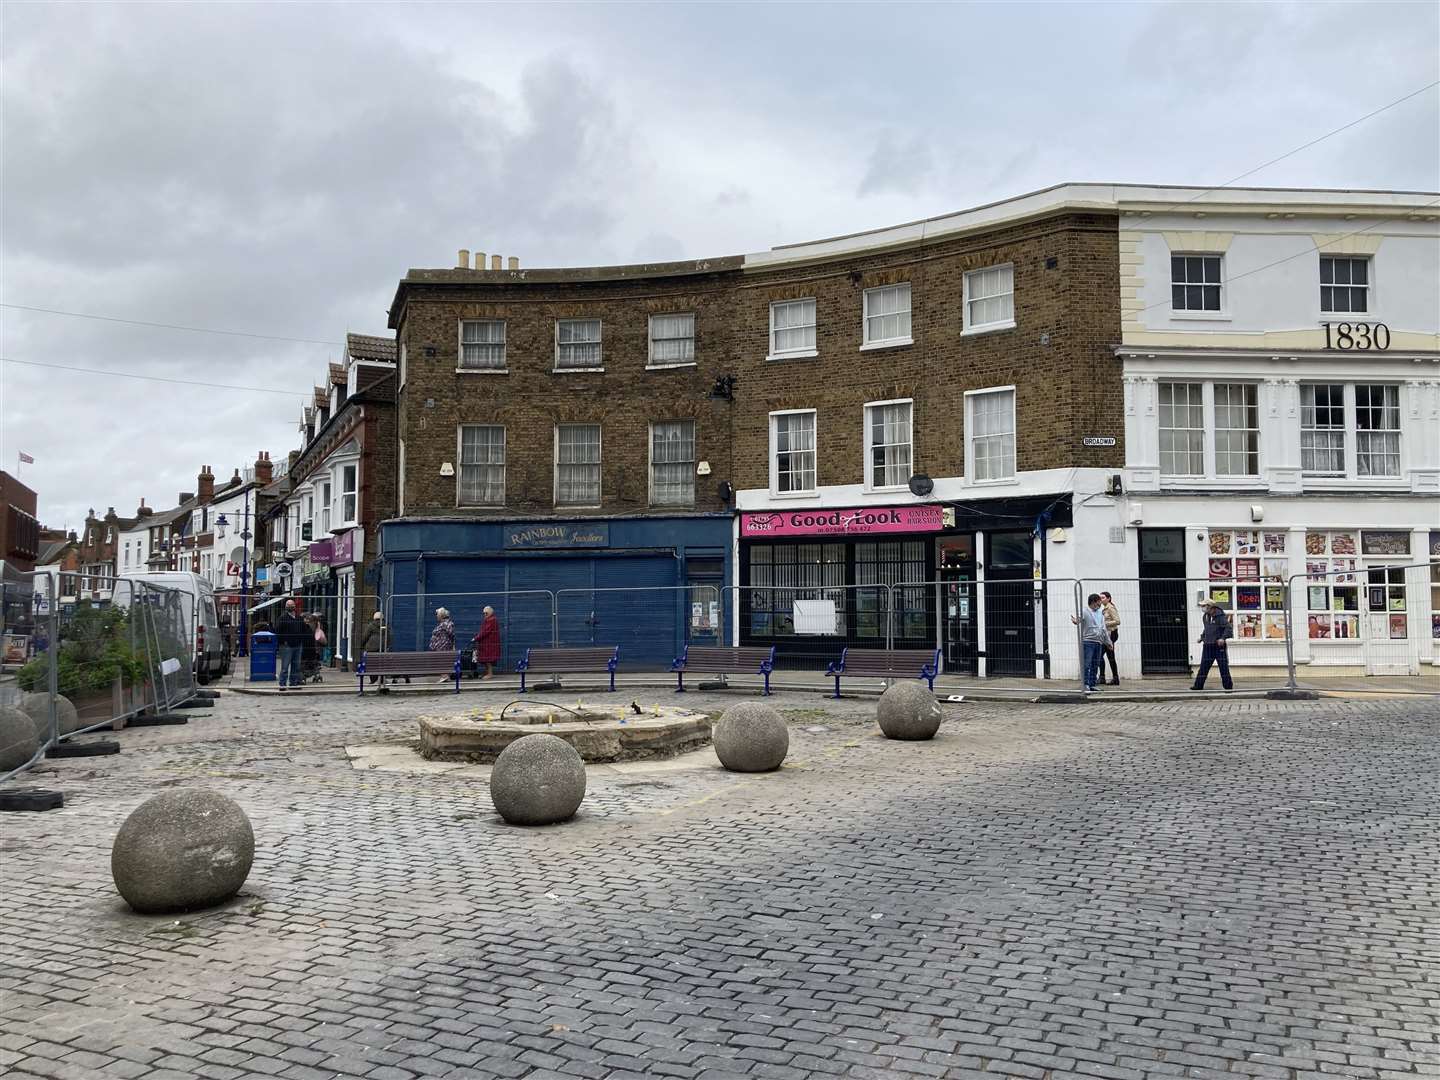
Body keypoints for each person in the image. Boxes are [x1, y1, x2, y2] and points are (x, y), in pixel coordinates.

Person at [1192, 600, 1234, 691]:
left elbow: (1228, 628)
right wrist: (1202, 638)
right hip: (1208, 645)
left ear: (1210, 606)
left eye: (1204, 606)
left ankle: (1228, 686)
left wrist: (1223, 638)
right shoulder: (1205, 617)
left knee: (1223, 666)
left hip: (1218, 646)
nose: (1202, 608)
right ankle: (1198, 685)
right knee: (1204, 666)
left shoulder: (1220, 616)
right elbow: (1207, 629)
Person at [1071, 593, 1109, 692]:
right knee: (1087, 664)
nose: (1100, 604)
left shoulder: (1100, 612)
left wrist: (1108, 642)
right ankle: (1085, 684)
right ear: (1093, 602)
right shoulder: (1084, 611)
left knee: (1095, 664)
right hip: (1088, 642)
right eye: (1099, 602)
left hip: (1098, 642)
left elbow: (1103, 628)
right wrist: (1075, 621)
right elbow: (1078, 619)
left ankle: (1092, 684)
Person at [275, 600, 307, 690]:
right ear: (286, 607)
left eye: (292, 605)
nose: (291, 607)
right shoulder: (282, 618)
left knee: (296, 666)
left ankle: (293, 683)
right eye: (289, 605)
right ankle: (282, 684)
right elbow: (278, 631)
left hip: (298, 645)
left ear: (295, 606)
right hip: (286, 646)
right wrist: (283, 642)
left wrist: (301, 640)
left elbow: (304, 630)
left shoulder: (299, 618)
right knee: (285, 667)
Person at [1098, 590, 1121, 686]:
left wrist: (1104, 624)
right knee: (1110, 656)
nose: (1101, 599)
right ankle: (1114, 678)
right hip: (1107, 634)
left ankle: (1104, 677)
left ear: (1108, 598)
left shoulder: (1110, 608)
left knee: (1100, 656)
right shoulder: (1104, 608)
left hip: (1111, 634)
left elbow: (1117, 621)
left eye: (1103, 598)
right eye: (1100, 598)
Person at [472, 605, 500, 680]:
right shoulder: (489, 619)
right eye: (484, 613)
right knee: (485, 659)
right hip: (486, 643)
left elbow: (485, 631)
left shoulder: (491, 620)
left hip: (489, 643)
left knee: (488, 659)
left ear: (491, 612)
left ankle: (490, 674)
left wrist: (476, 638)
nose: (484, 614)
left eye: (486, 613)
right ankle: (487, 673)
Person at [429, 607, 456, 683]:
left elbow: (451, 634)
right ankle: (444, 675)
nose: (436, 616)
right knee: (441, 661)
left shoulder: (447, 623)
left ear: (441, 615)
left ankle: (444, 676)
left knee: (442, 661)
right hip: (440, 647)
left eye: (437, 614)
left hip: (443, 647)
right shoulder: (443, 623)